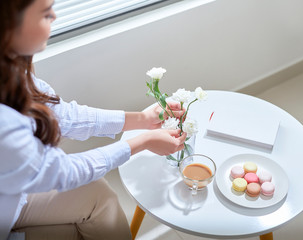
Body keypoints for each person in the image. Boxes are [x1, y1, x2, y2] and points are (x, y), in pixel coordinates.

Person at [0, 0, 187, 239]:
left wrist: (144, 118)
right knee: (73, 230)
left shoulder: (12, 72)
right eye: (46, 12)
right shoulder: (4, 123)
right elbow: (63, 172)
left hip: (13, 195)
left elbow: (66, 116)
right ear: (10, 25)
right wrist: (143, 142)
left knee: (101, 197)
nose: (55, 17)